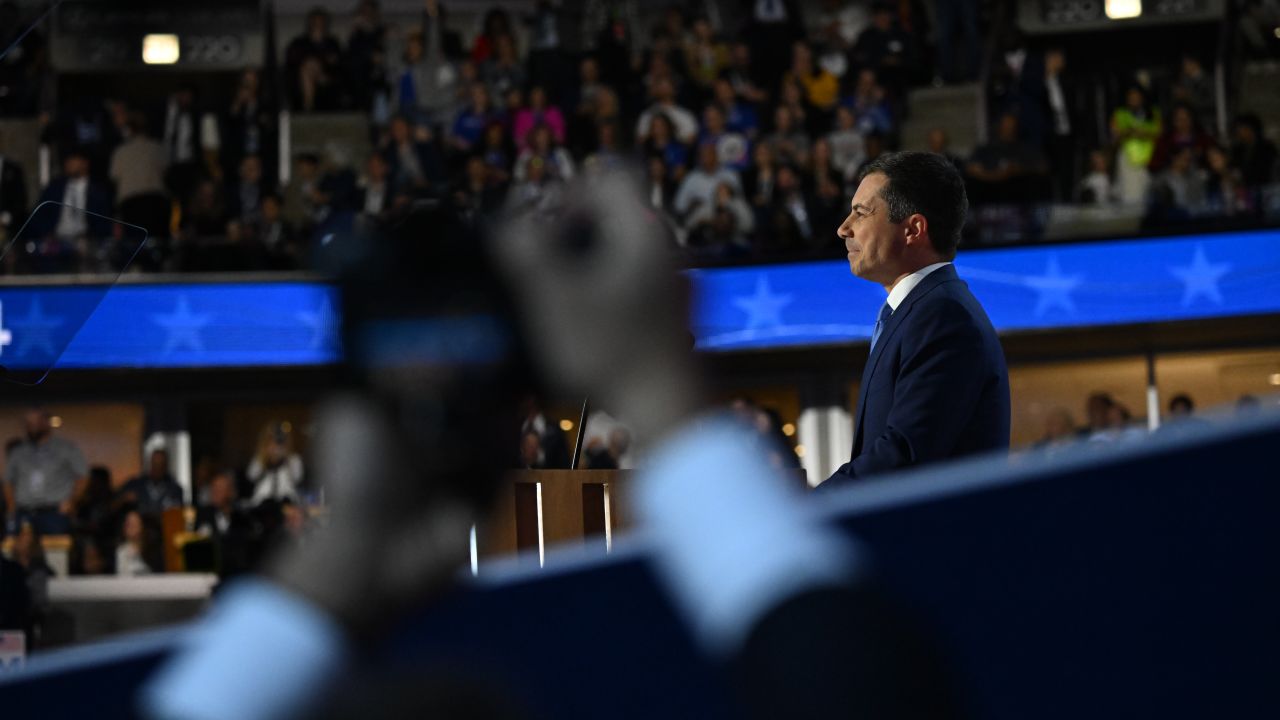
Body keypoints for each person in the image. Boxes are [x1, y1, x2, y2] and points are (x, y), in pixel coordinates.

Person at [823, 152, 1010, 486]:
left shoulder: (943, 316)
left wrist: (808, 506)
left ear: (913, 230)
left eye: (861, 213)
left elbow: (906, 452)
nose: (843, 228)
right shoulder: (918, 312)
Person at [3, 410, 89, 536]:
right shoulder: (19, 452)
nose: (31, 427)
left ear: (45, 422)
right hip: (24, 510)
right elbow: (8, 481)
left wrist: (72, 501)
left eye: (35, 422)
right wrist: (11, 506)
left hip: (54, 511)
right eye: (28, 423)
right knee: (12, 546)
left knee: (55, 549)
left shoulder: (66, 448)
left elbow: (83, 477)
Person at [246, 422, 306, 506]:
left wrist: (287, 457)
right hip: (262, 501)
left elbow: (297, 478)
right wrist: (265, 457)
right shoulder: (260, 458)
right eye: (272, 440)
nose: (277, 444)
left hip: (287, 501)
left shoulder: (293, 459)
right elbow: (251, 476)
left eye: (280, 440)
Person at [118, 448, 185, 518]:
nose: (157, 469)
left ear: (165, 466)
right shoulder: (136, 484)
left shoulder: (175, 490)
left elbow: (178, 517)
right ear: (149, 464)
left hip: (163, 527)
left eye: (160, 465)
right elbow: (111, 507)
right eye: (154, 464)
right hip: (139, 527)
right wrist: (123, 499)